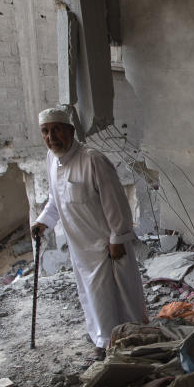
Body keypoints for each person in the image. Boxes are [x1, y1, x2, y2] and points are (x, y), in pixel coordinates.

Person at [30, 106, 147, 359]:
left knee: (118, 297)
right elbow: (55, 198)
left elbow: (117, 204)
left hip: (106, 246)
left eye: (56, 130)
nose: (51, 137)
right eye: (45, 132)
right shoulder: (51, 160)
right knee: (92, 296)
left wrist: (117, 238)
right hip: (80, 248)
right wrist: (43, 222)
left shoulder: (92, 160)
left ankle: (124, 340)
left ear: (71, 131)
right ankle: (102, 337)